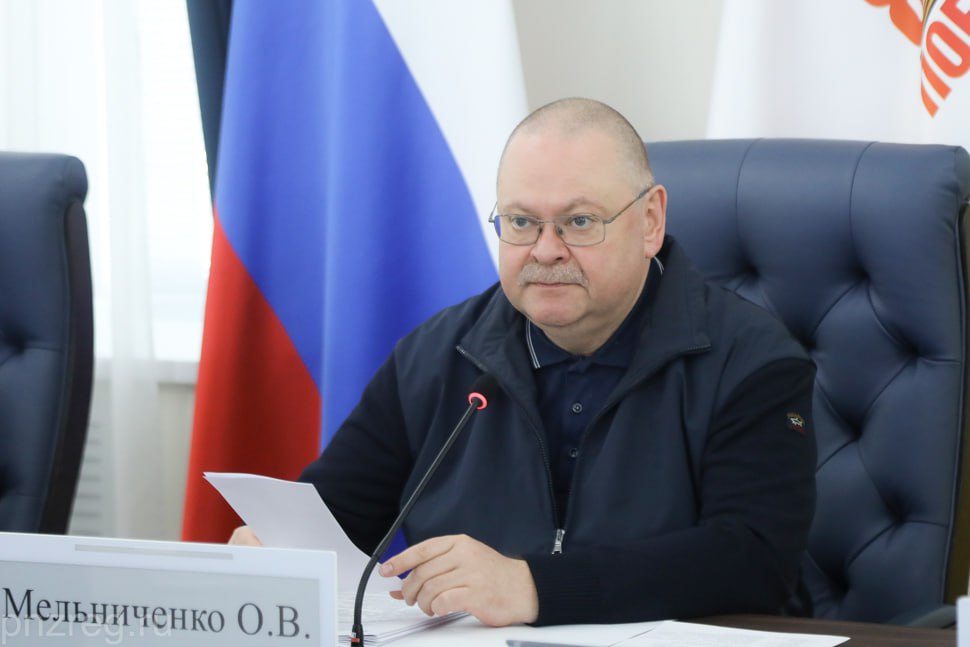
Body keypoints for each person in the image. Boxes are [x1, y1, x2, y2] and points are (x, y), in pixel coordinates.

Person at [231, 97, 816, 627]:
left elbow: (754, 558)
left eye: (579, 222)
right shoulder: (436, 356)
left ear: (650, 222)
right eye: (520, 222)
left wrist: (533, 586)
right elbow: (332, 521)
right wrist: (280, 550)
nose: (546, 249)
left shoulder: (752, 360)